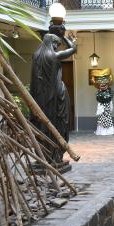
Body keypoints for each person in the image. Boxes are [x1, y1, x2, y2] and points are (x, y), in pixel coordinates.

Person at [30, 29, 77, 164]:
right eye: (56, 44)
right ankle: (55, 156)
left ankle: (43, 156)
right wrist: (64, 36)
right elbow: (73, 49)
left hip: (39, 99)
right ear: (51, 43)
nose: (56, 47)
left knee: (42, 126)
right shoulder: (54, 56)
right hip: (56, 97)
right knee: (59, 124)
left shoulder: (35, 55)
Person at [93, 68, 114, 136]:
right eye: (101, 85)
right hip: (102, 106)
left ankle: (108, 131)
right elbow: (98, 98)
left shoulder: (109, 91)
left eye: (105, 85)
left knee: (108, 117)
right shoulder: (99, 92)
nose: (103, 86)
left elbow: (110, 96)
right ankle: (102, 131)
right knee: (101, 118)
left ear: (107, 85)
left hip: (107, 106)